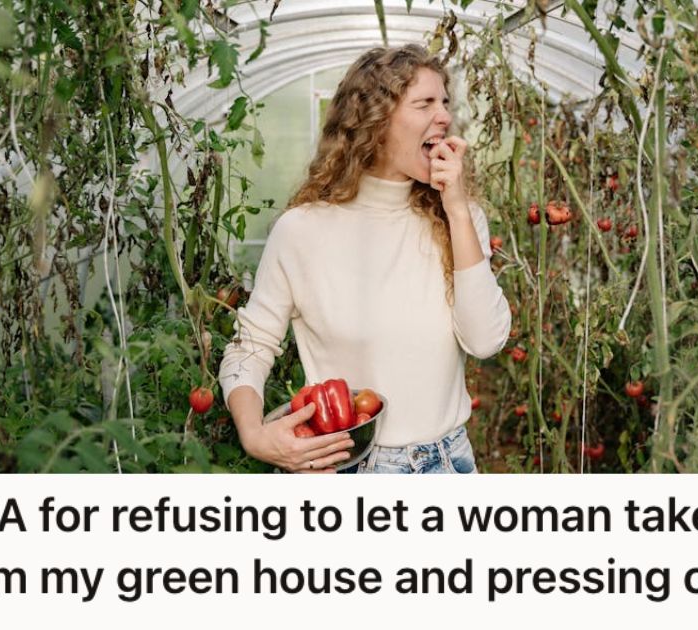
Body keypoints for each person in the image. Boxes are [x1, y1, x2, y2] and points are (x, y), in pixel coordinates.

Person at [217, 44, 511, 474]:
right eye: (425, 103)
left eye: (445, 102)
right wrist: (254, 433)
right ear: (375, 120)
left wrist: (460, 211)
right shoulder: (302, 230)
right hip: (346, 464)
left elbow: (485, 341)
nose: (444, 116)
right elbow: (251, 346)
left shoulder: (458, 220)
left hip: (448, 464)